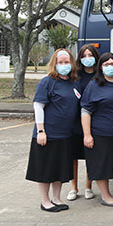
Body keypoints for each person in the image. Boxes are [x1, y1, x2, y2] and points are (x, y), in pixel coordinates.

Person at [26, 50, 80, 212]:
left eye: (67, 62)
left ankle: (56, 198)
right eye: (60, 62)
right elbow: (38, 106)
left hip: (66, 135)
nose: (64, 65)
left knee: (60, 169)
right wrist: (41, 130)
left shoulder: (73, 83)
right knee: (46, 170)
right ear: (54, 64)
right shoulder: (47, 82)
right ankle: (45, 201)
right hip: (48, 135)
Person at [80, 53, 113, 206]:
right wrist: (87, 135)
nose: (110, 67)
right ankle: (106, 196)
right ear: (100, 67)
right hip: (101, 133)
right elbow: (85, 111)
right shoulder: (94, 85)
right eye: (106, 65)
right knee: (102, 165)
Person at [67, 43, 100, 201]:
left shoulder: (100, 75)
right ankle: (73, 187)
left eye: (90, 55)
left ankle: (88, 187)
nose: (88, 59)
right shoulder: (75, 75)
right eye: (84, 56)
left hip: (94, 121)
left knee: (90, 155)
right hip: (74, 121)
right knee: (73, 155)